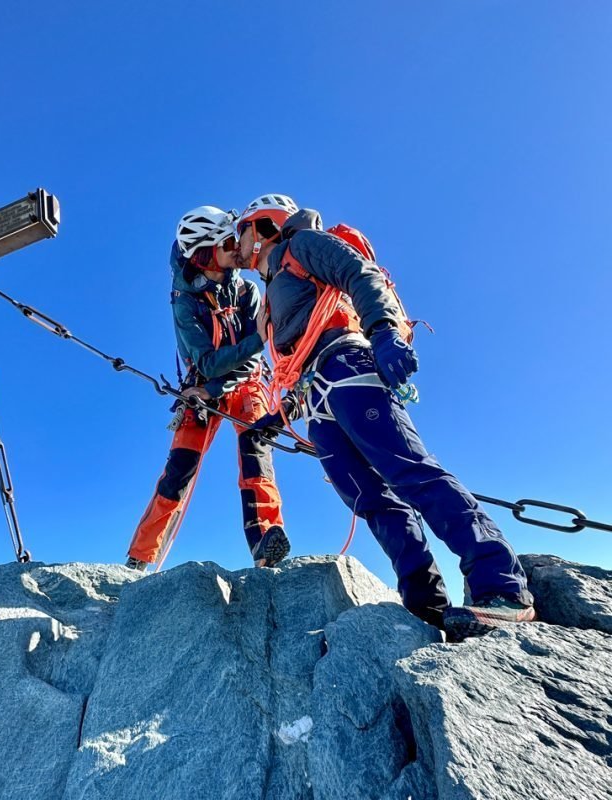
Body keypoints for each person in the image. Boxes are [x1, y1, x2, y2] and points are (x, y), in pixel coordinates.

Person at [238, 194, 535, 641]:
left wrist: (382, 333)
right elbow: (299, 358)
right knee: (372, 502)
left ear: (263, 226)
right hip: (317, 395)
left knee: (410, 472)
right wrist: (280, 417)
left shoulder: (303, 247)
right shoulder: (274, 289)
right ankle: (426, 606)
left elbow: (359, 273)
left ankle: (502, 586)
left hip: (348, 369)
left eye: (242, 230)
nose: (236, 242)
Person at [125, 206, 291, 572]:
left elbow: (251, 356)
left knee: (256, 452)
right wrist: (249, 346)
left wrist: (218, 383)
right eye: (229, 242)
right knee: (178, 471)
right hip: (200, 390)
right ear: (204, 252)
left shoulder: (245, 290)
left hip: (242, 385)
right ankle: (139, 559)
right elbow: (207, 362)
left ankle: (267, 543)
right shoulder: (184, 302)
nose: (239, 247)